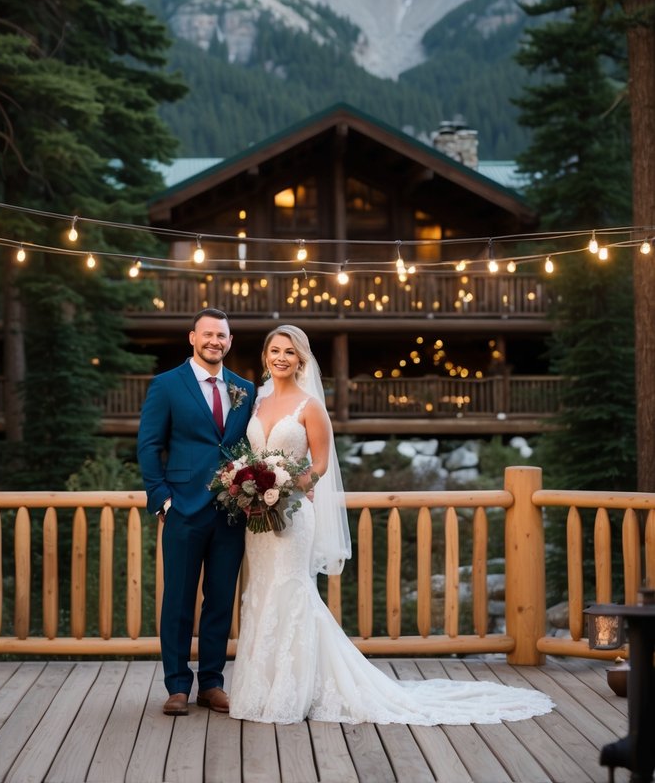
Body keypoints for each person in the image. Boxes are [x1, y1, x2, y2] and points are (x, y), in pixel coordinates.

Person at [229, 324, 555, 726]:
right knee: (261, 591)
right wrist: (250, 486)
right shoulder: (256, 404)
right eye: (275, 350)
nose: (281, 357)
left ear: (301, 360)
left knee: (291, 591)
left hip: (294, 515)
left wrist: (288, 485)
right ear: (266, 356)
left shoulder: (310, 406)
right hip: (258, 518)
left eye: (289, 352)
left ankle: (294, 691)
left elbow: (321, 466)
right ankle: (260, 688)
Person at [137, 307, 255, 716]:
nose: (214, 342)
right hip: (183, 509)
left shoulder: (245, 389)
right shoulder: (167, 385)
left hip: (231, 512)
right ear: (192, 338)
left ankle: (212, 683)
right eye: (207, 334)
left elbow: (249, 446)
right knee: (179, 599)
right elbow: (149, 446)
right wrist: (162, 499)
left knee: (221, 599)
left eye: (221, 336)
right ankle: (176, 686)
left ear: (229, 341)